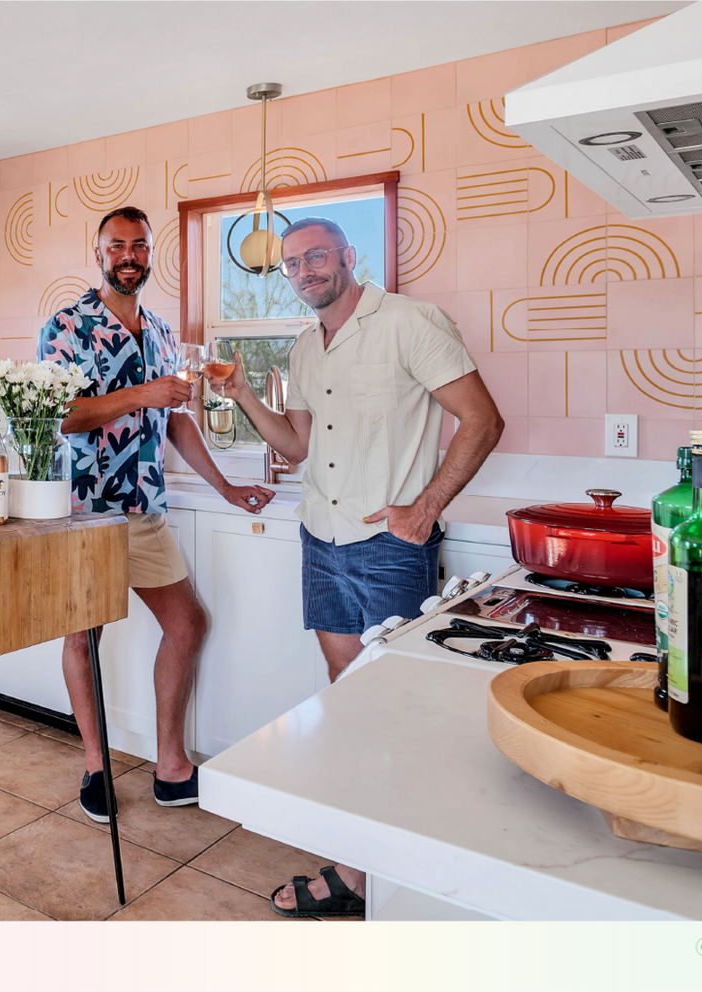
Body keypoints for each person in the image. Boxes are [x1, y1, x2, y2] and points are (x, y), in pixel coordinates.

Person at [222, 216, 504, 916]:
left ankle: (379, 869)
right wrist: (241, 393)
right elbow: (297, 446)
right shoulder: (303, 350)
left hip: (386, 545)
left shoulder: (410, 323)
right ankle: (367, 861)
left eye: (316, 256)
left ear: (349, 258)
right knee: (348, 697)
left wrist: (425, 505)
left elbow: (482, 419)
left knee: (396, 710)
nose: (303, 270)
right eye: (291, 263)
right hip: (322, 536)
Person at [37, 205, 277, 819]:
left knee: (187, 624)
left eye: (139, 246)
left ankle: (171, 768)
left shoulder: (165, 333)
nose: (128, 256)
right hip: (81, 509)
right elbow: (62, 417)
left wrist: (225, 486)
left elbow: (175, 421)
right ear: (98, 253)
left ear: (150, 255)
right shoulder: (68, 325)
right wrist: (142, 393)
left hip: (144, 506)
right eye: (116, 245)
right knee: (82, 634)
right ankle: (96, 767)